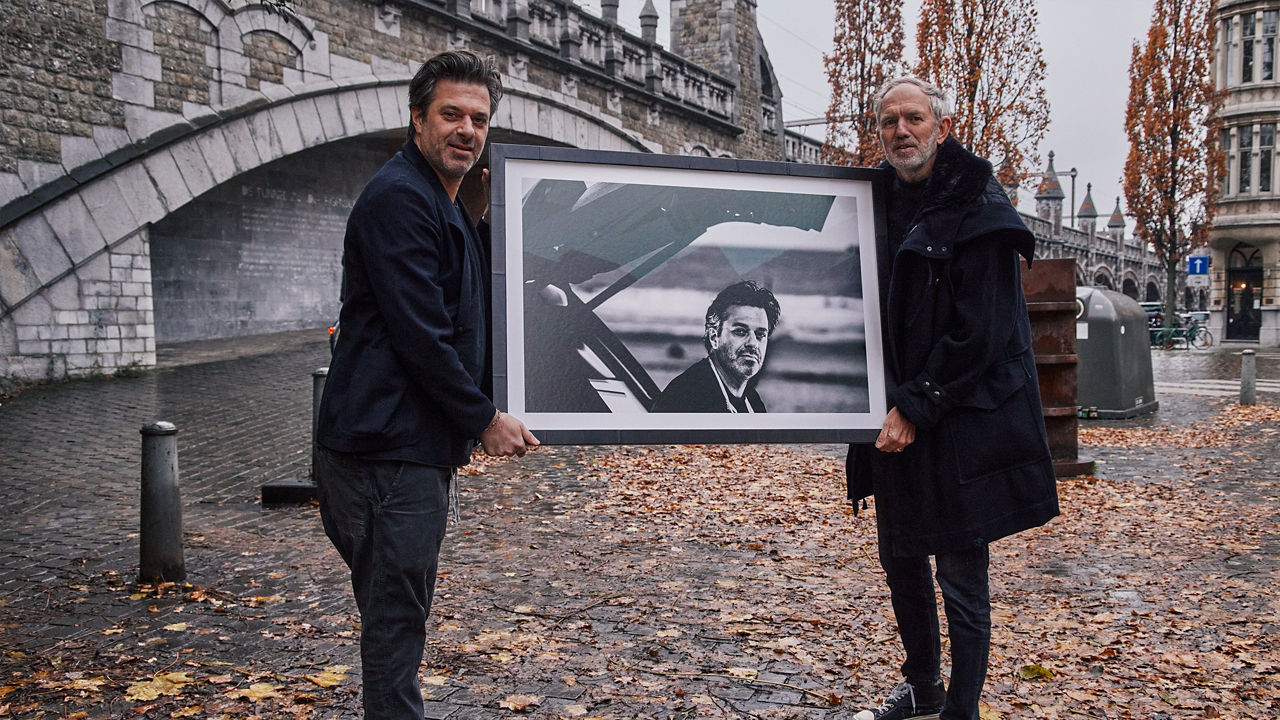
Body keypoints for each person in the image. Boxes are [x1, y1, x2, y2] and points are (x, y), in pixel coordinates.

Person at [314, 50, 539, 720]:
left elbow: (471, 290)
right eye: (451, 114)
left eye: (479, 118)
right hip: (383, 457)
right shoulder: (398, 201)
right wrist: (484, 418)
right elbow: (422, 336)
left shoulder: (437, 203)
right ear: (417, 118)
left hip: (404, 452)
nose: (466, 129)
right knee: (394, 620)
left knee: (397, 612)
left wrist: (512, 216)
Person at [846, 76, 1060, 720]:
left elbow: (984, 333)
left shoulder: (980, 210)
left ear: (942, 126)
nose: (900, 132)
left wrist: (918, 405)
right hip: (890, 415)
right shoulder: (868, 202)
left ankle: (961, 710)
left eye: (913, 119)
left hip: (958, 419)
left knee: (961, 579)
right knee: (901, 559)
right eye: (888, 122)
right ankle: (922, 688)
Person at [650, 280, 780, 413]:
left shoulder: (752, 401)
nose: (753, 343)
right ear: (714, 338)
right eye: (740, 332)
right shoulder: (684, 399)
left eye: (760, 334)